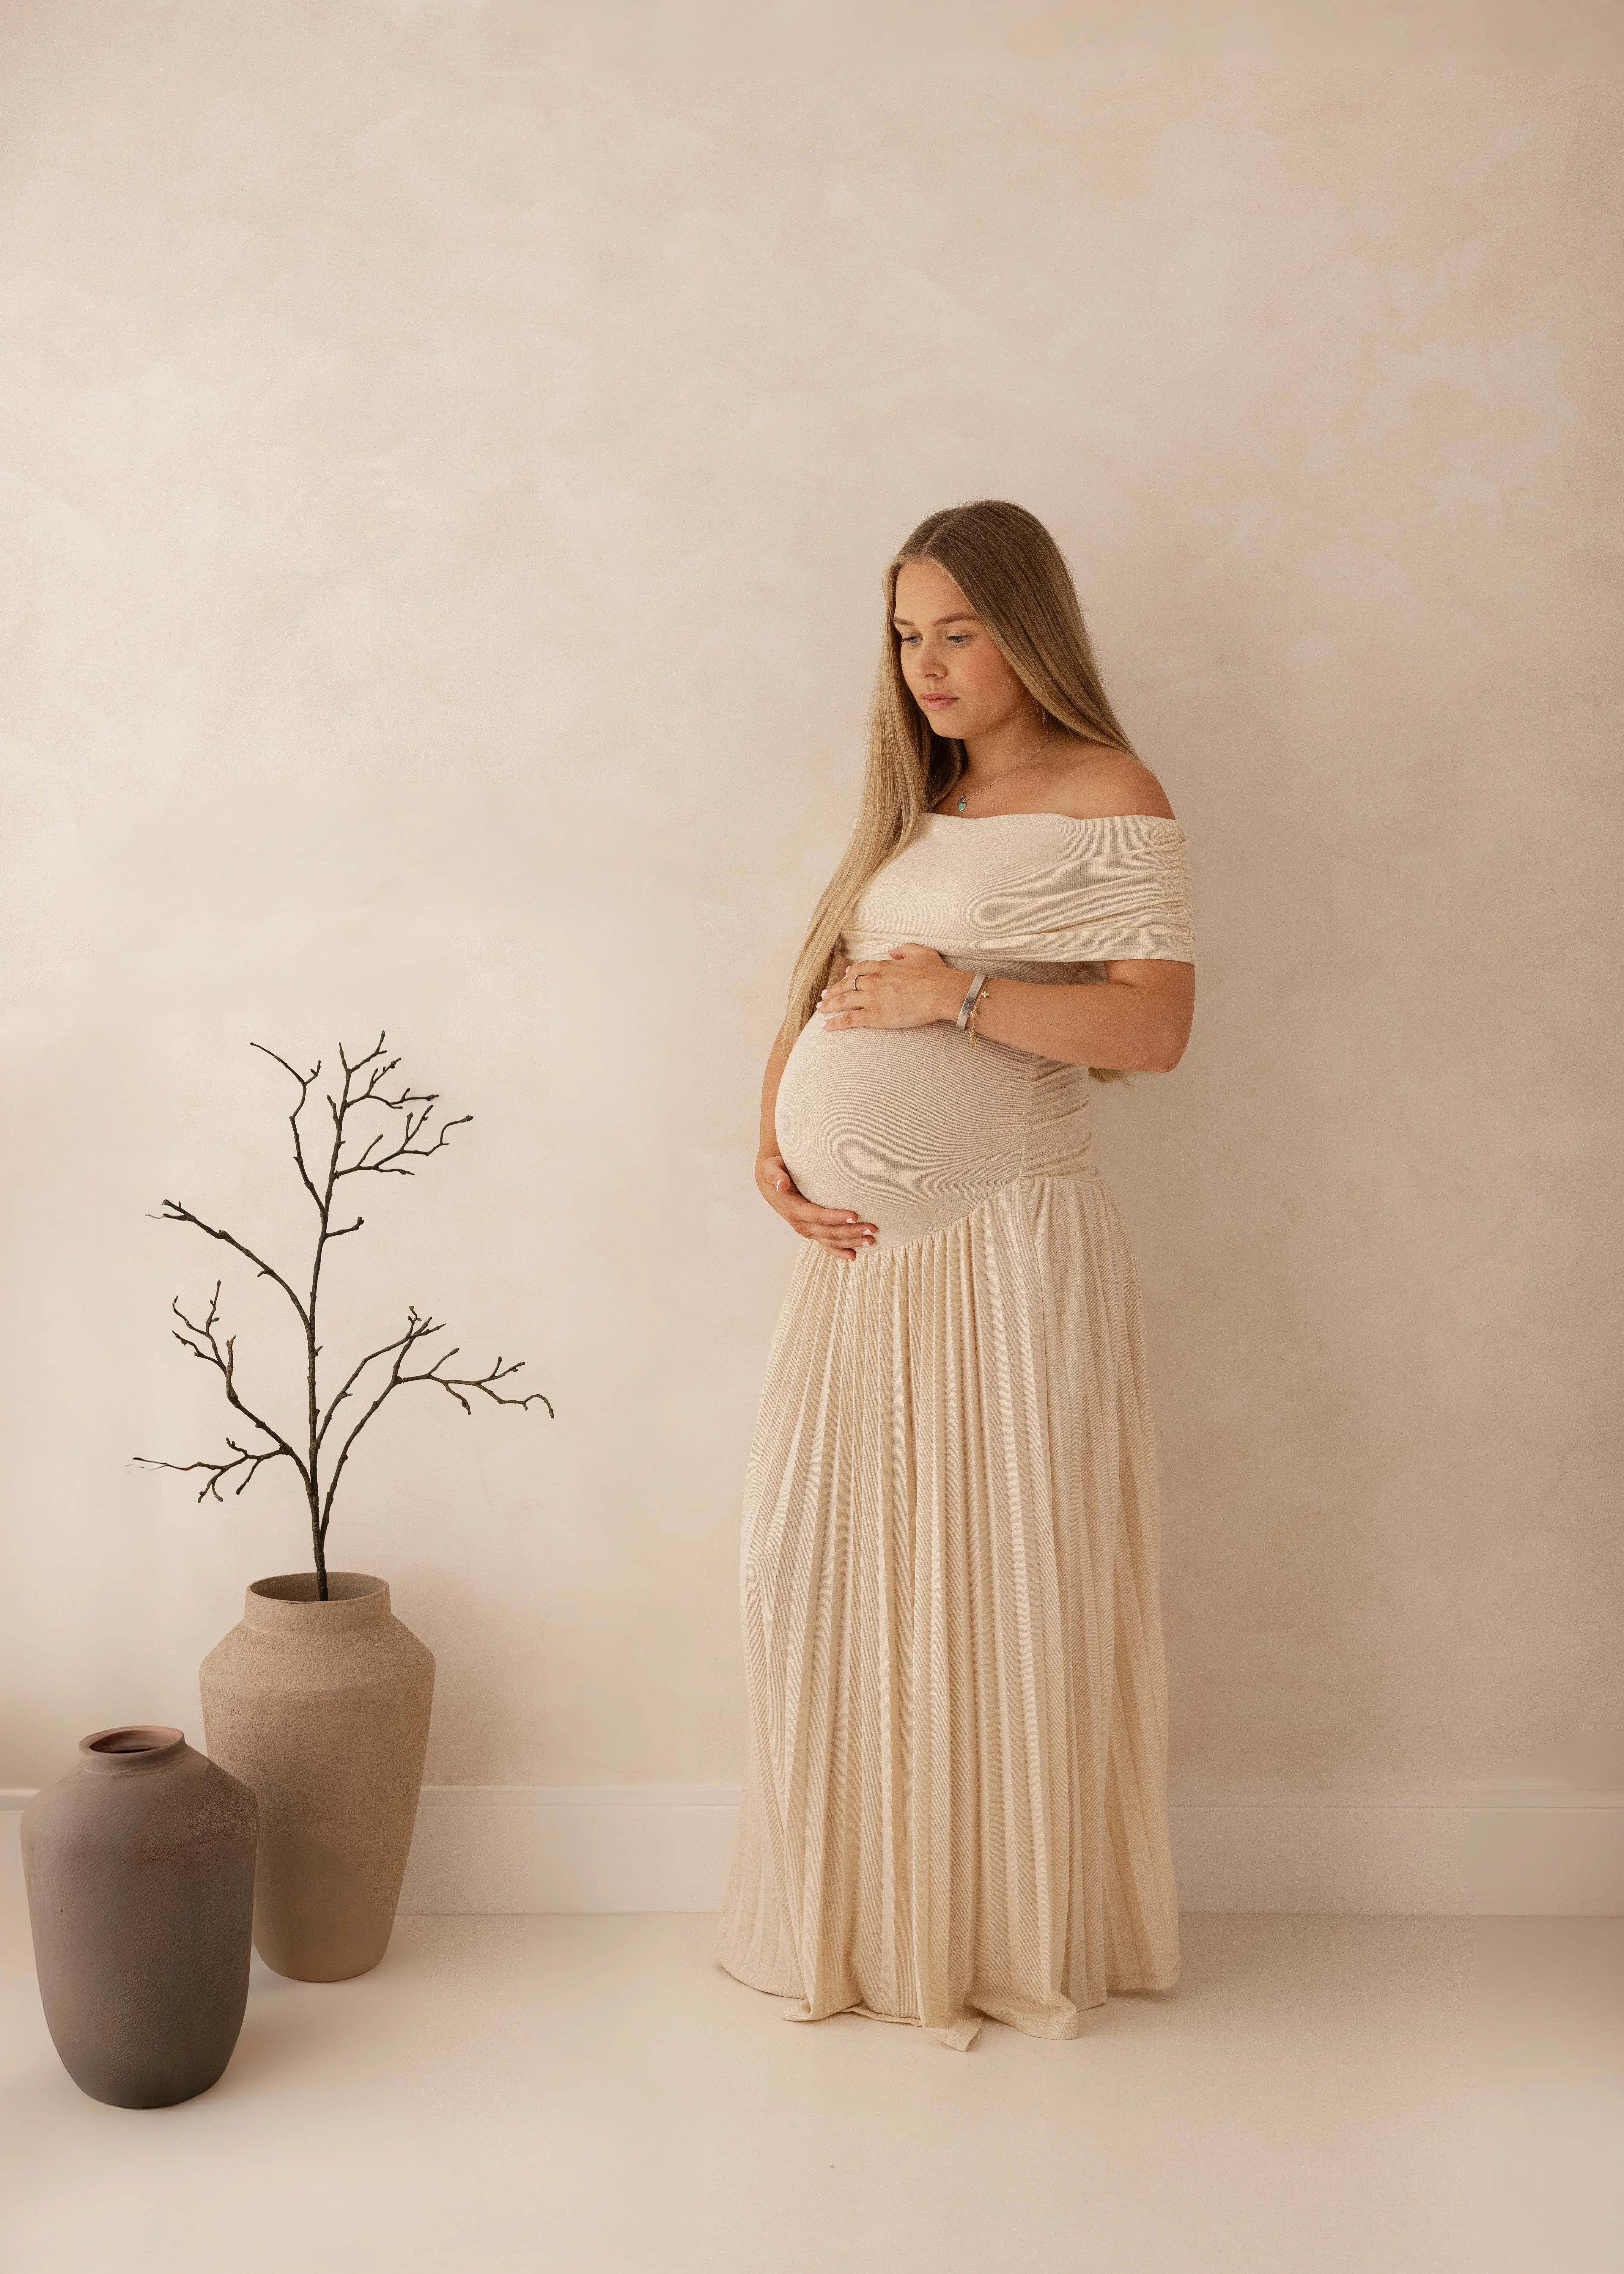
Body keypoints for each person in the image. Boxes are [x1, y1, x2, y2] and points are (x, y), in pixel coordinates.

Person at [713, 499, 1196, 2051]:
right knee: (819, 1574)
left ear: (1027, 626)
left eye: (957, 630)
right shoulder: (913, 802)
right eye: (905, 633)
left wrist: (961, 994)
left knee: (993, 1587)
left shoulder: (1105, 792)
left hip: (998, 1256)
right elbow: (836, 981)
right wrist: (773, 1141)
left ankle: (988, 1930)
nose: (924, 663)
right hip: (864, 1270)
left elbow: (1151, 1028)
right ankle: (868, 1918)